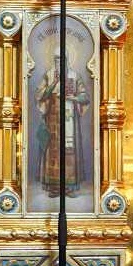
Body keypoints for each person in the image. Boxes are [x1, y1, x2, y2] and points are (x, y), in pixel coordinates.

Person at [36, 54, 90, 197]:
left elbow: (85, 96)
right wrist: (54, 83)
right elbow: (40, 95)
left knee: (69, 150)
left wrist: (74, 97)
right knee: (53, 151)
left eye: (62, 61)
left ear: (66, 62)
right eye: (57, 61)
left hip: (69, 117)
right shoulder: (48, 75)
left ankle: (69, 187)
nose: (59, 64)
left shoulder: (75, 76)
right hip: (52, 119)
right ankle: (54, 187)